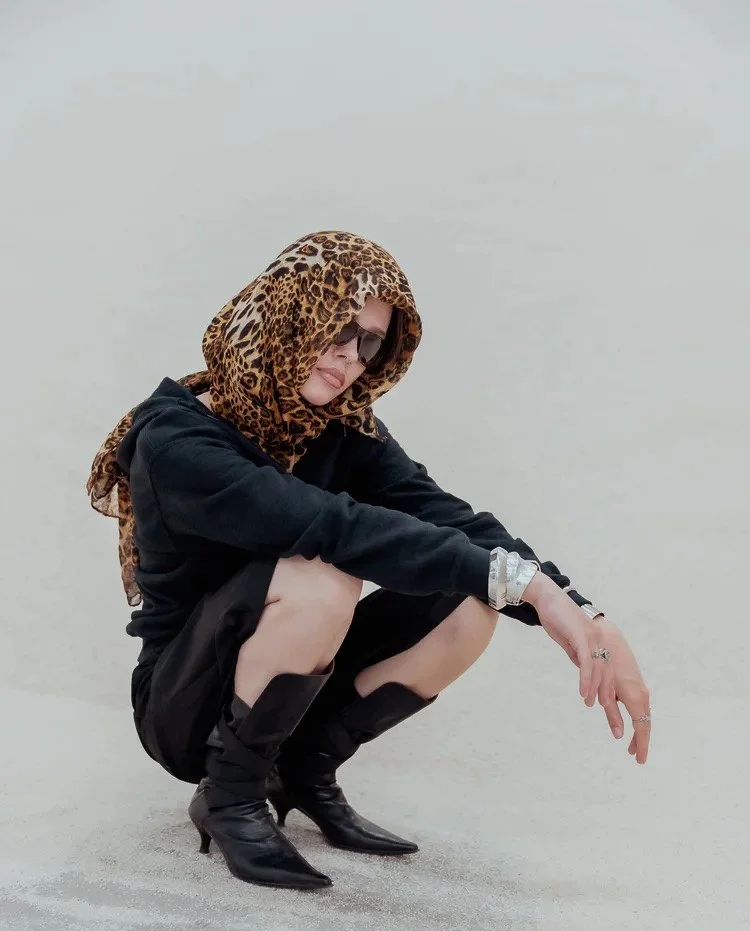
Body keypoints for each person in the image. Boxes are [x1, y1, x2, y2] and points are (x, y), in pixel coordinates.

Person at [87, 230, 652, 892]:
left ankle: (304, 768)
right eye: (339, 328)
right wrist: (535, 590)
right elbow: (333, 525)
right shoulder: (178, 442)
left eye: (371, 342)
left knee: (471, 602)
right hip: (184, 703)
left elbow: (453, 519)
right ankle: (230, 790)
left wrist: (579, 610)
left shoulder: (341, 428)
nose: (351, 358)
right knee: (323, 572)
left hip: (288, 670)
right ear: (289, 312)